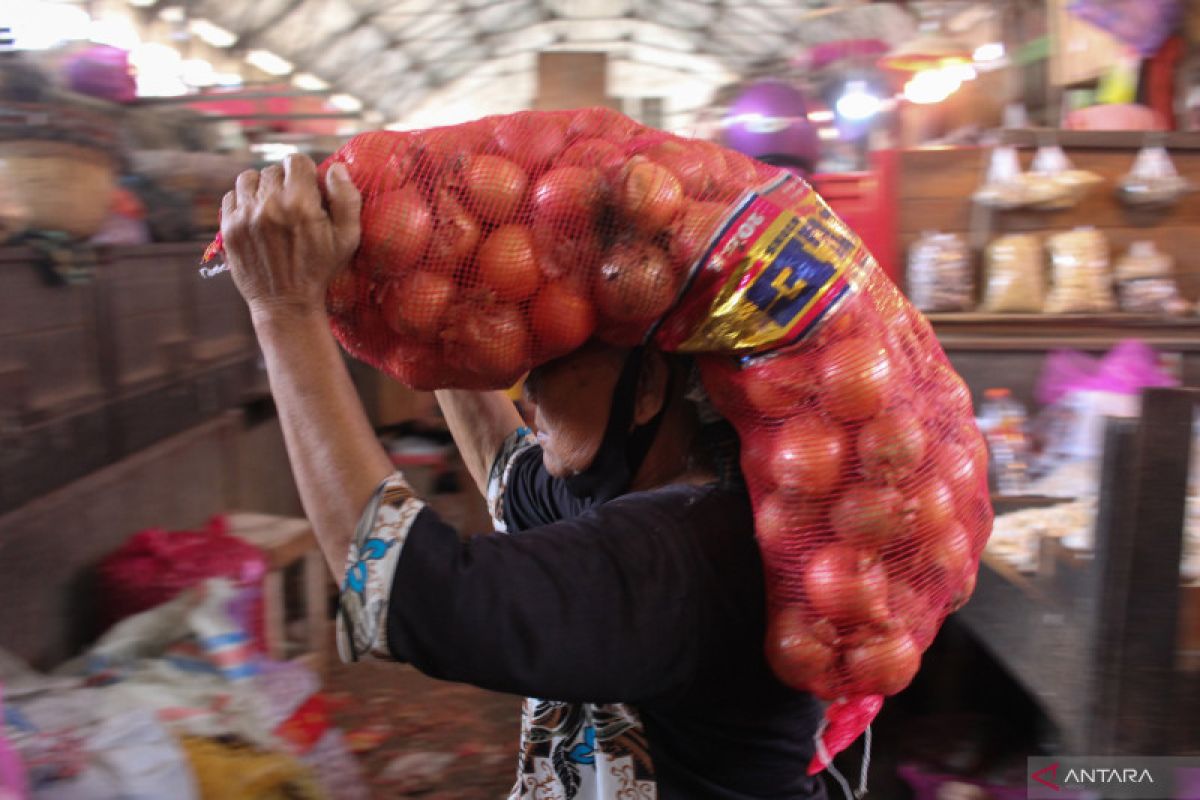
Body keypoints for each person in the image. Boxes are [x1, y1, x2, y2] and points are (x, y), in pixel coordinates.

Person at [220, 154, 827, 799]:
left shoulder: (688, 552)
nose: (524, 385)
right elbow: (508, 477)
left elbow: (405, 592)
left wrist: (283, 312)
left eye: (548, 362)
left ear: (648, 384)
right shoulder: (664, 490)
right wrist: (431, 308)